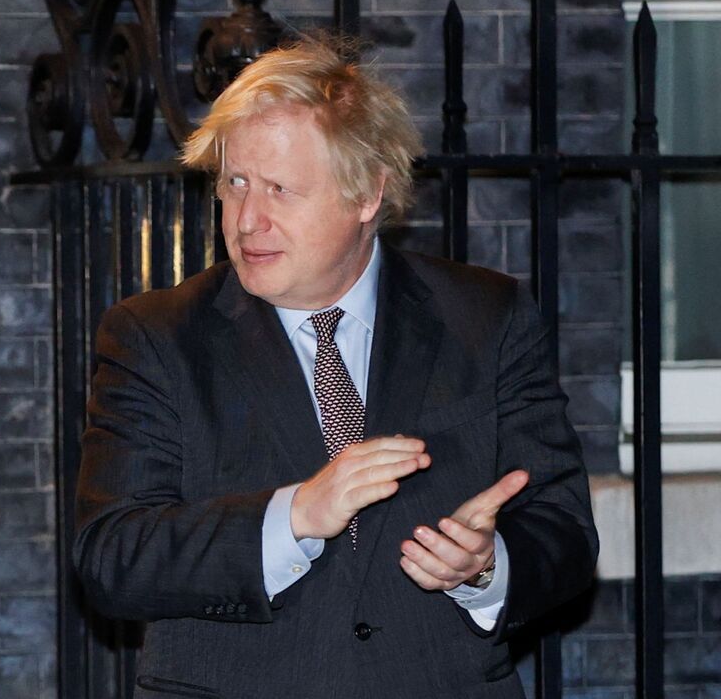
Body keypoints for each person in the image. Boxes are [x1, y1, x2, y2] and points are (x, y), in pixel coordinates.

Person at [71, 36, 596, 697]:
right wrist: (292, 514)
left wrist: (488, 566)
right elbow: (112, 556)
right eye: (235, 183)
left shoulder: (487, 317)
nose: (247, 219)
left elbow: (566, 532)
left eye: (281, 190)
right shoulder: (156, 335)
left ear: (367, 193)